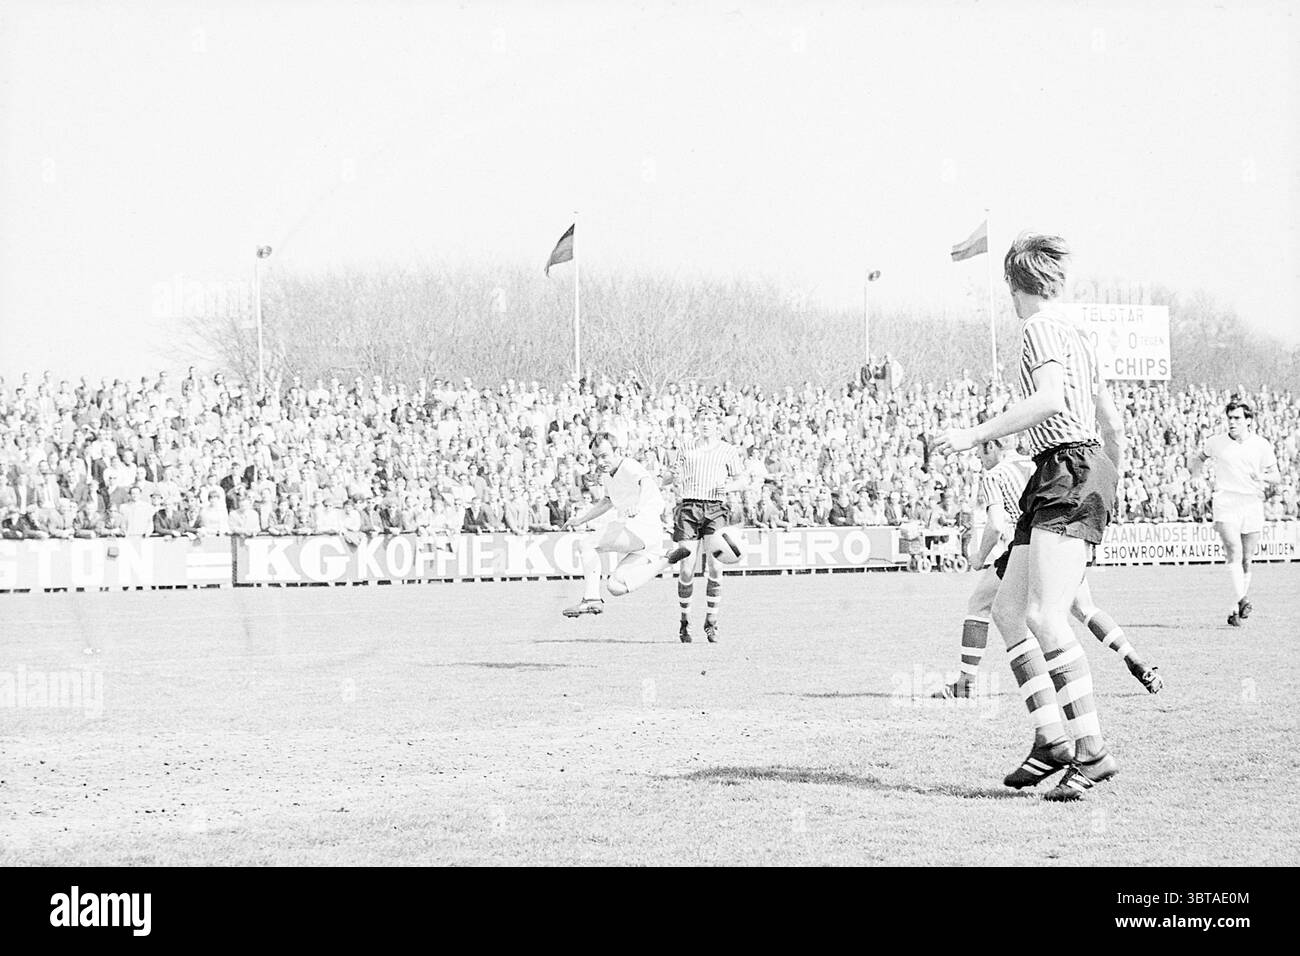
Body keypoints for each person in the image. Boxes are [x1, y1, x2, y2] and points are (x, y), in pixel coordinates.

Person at [937, 233, 1123, 802]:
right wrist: (1111, 475)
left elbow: (1047, 400)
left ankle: (1091, 751)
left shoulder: (1038, 327)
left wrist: (974, 434)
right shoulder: (1080, 334)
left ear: (1014, 285)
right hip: (1067, 467)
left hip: (1068, 466)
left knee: (1045, 614)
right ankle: (1051, 740)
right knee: (1008, 610)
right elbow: (1111, 419)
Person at [933, 436, 1161, 698]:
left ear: (992, 445)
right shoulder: (1036, 463)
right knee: (1084, 608)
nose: (978, 458)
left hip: (1028, 544)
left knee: (981, 604)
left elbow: (995, 524)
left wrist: (979, 556)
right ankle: (1135, 659)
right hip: (1060, 539)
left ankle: (967, 682)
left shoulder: (995, 475)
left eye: (980, 451)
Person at [560, 432, 689, 619]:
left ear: (617, 451)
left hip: (642, 525)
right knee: (616, 586)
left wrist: (639, 505)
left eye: (604, 456)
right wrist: (581, 520)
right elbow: (607, 501)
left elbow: (647, 483)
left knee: (587, 544)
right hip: (648, 538)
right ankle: (666, 560)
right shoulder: (607, 475)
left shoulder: (628, 465)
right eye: (596, 457)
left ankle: (591, 598)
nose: (600, 462)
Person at [1191, 399, 1281, 626]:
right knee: (1234, 549)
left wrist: (1262, 476)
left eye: (1237, 418)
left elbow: (1276, 476)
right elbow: (1198, 460)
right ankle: (1243, 599)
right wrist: (1196, 477)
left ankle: (1235, 608)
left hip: (1251, 502)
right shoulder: (1216, 442)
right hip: (1225, 500)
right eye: (1230, 418)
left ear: (1248, 420)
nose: (1232, 422)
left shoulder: (1261, 445)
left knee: (1247, 560)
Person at [665, 405, 746, 643]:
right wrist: (671, 476)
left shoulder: (727, 450)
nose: (706, 423)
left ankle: (711, 621)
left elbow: (742, 480)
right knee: (686, 569)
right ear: (697, 422)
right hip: (689, 507)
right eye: (702, 419)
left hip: (715, 508)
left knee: (715, 567)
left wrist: (728, 487)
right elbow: (668, 477)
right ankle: (684, 621)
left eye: (710, 419)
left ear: (717, 423)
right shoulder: (686, 447)